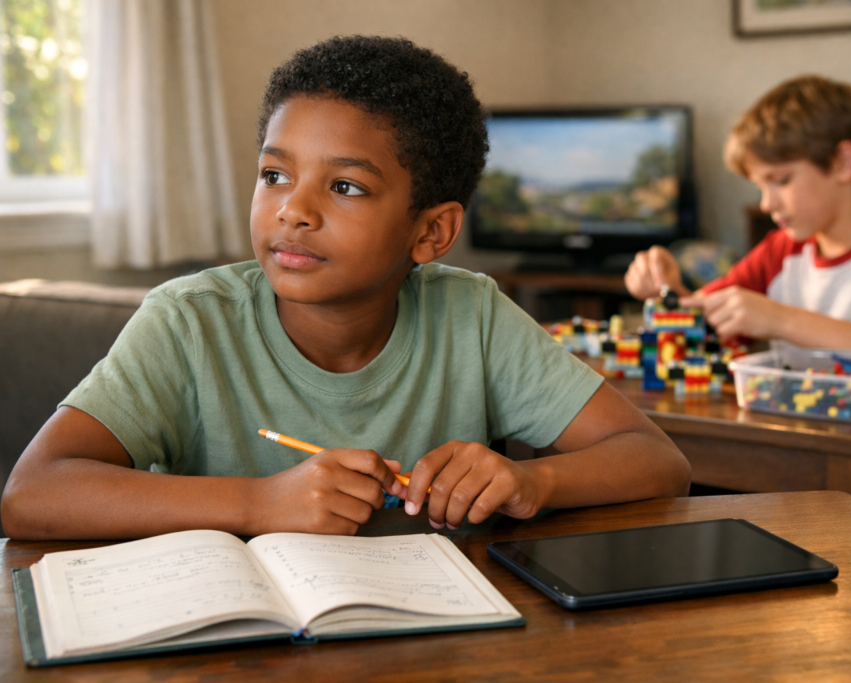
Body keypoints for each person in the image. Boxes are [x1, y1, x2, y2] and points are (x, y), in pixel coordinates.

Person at [1, 36, 690, 541]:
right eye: (274, 175)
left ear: (431, 233)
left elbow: (657, 460)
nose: (293, 210)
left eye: (346, 186)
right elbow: (31, 493)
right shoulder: (189, 321)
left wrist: (532, 481)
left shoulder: (471, 315)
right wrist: (257, 503)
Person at [625, 75, 851, 386]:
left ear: (842, 163)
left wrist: (781, 321)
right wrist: (668, 290)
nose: (765, 204)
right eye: (760, 186)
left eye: (781, 180)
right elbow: (701, 324)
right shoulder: (780, 249)